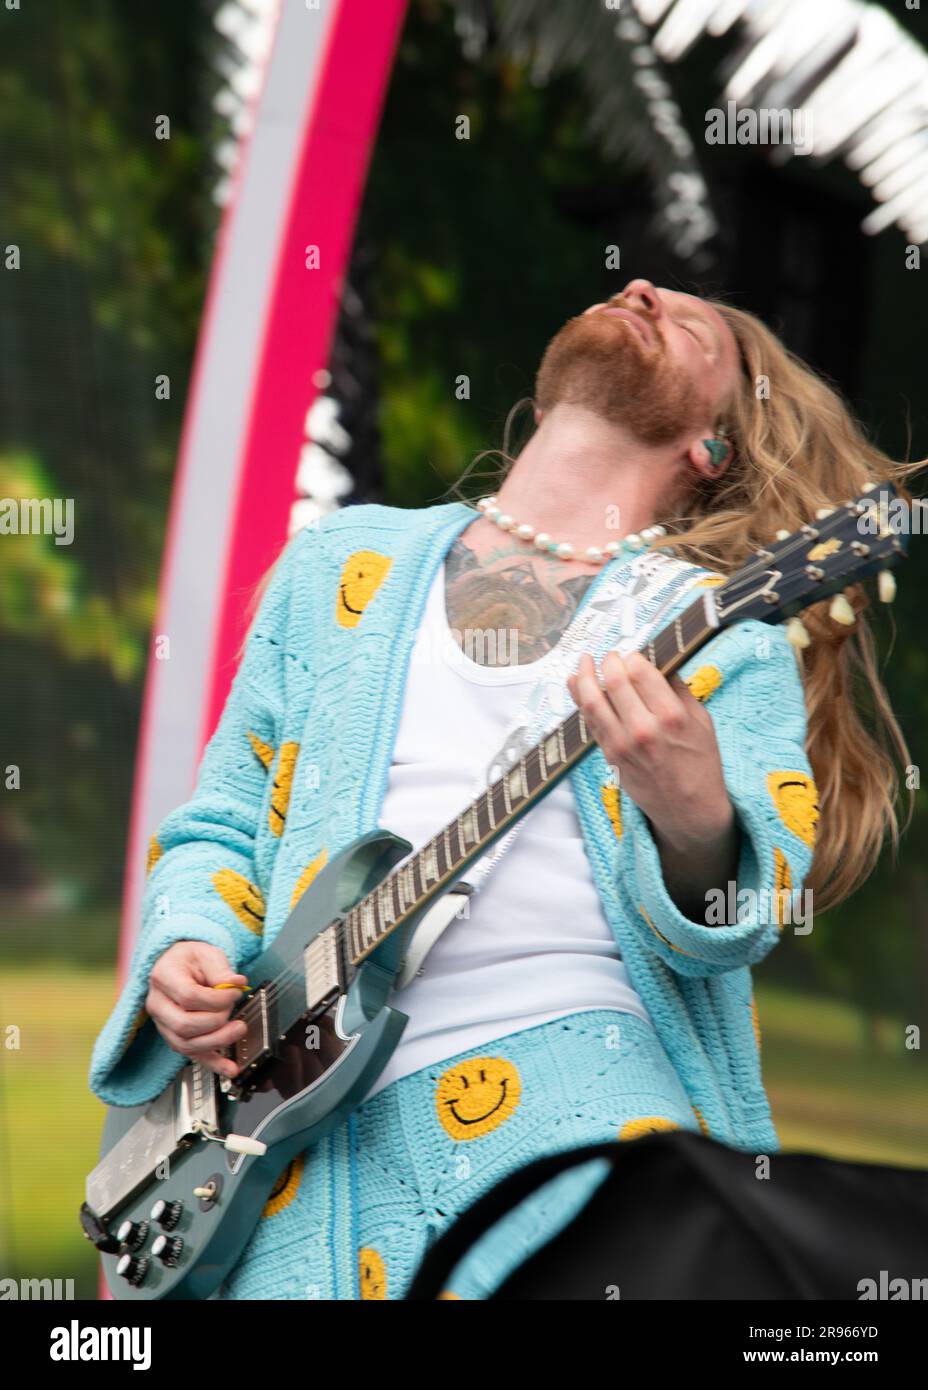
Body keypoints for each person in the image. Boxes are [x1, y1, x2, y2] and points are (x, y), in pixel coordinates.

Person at [88, 279, 918, 1300]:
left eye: (693, 326)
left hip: (574, 1109)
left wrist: (693, 809)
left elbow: (745, 906)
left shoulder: (722, 633)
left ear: (713, 445)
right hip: (288, 1154)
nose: (644, 287)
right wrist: (185, 948)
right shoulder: (339, 564)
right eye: (638, 286)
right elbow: (219, 821)